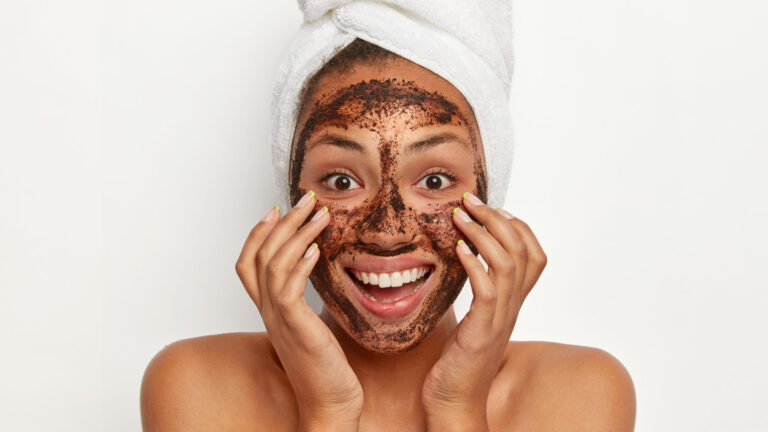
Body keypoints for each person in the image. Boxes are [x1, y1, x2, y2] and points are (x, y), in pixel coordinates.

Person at [141, 5, 635, 431]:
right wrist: (328, 412)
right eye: (341, 181)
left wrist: (457, 409)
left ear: (491, 197)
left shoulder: (580, 394)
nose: (387, 230)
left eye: (435, 181)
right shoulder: (196, 386)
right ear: (291, 196)